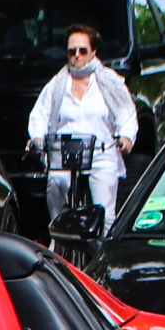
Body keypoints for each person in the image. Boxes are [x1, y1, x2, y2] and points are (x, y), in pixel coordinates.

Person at [26, 23, 134, 235]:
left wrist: (126, 137)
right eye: (71, 51)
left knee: (105, 214)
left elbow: (126, 112)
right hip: (67, 152)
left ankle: (101, 258)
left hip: (102, 152)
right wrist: (37, 138)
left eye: (82, 50)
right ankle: (58, 237)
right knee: (56, 184)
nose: (77, 55)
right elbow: (40, 114)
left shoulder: (109, 81)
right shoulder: (57, 84)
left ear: (93, 51)